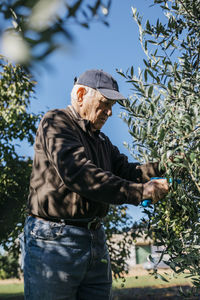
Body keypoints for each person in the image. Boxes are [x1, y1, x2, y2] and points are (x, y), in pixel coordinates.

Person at [22, 69, 169, 300]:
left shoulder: (101, 141)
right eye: (104, 103)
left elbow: (130, 171)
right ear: (80, 94)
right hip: (54, 239)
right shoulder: (56, 122)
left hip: (94, 238)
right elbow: (79, 174)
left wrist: (167, 166)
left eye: (112, 105)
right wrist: (141, 192)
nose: (109, 112)